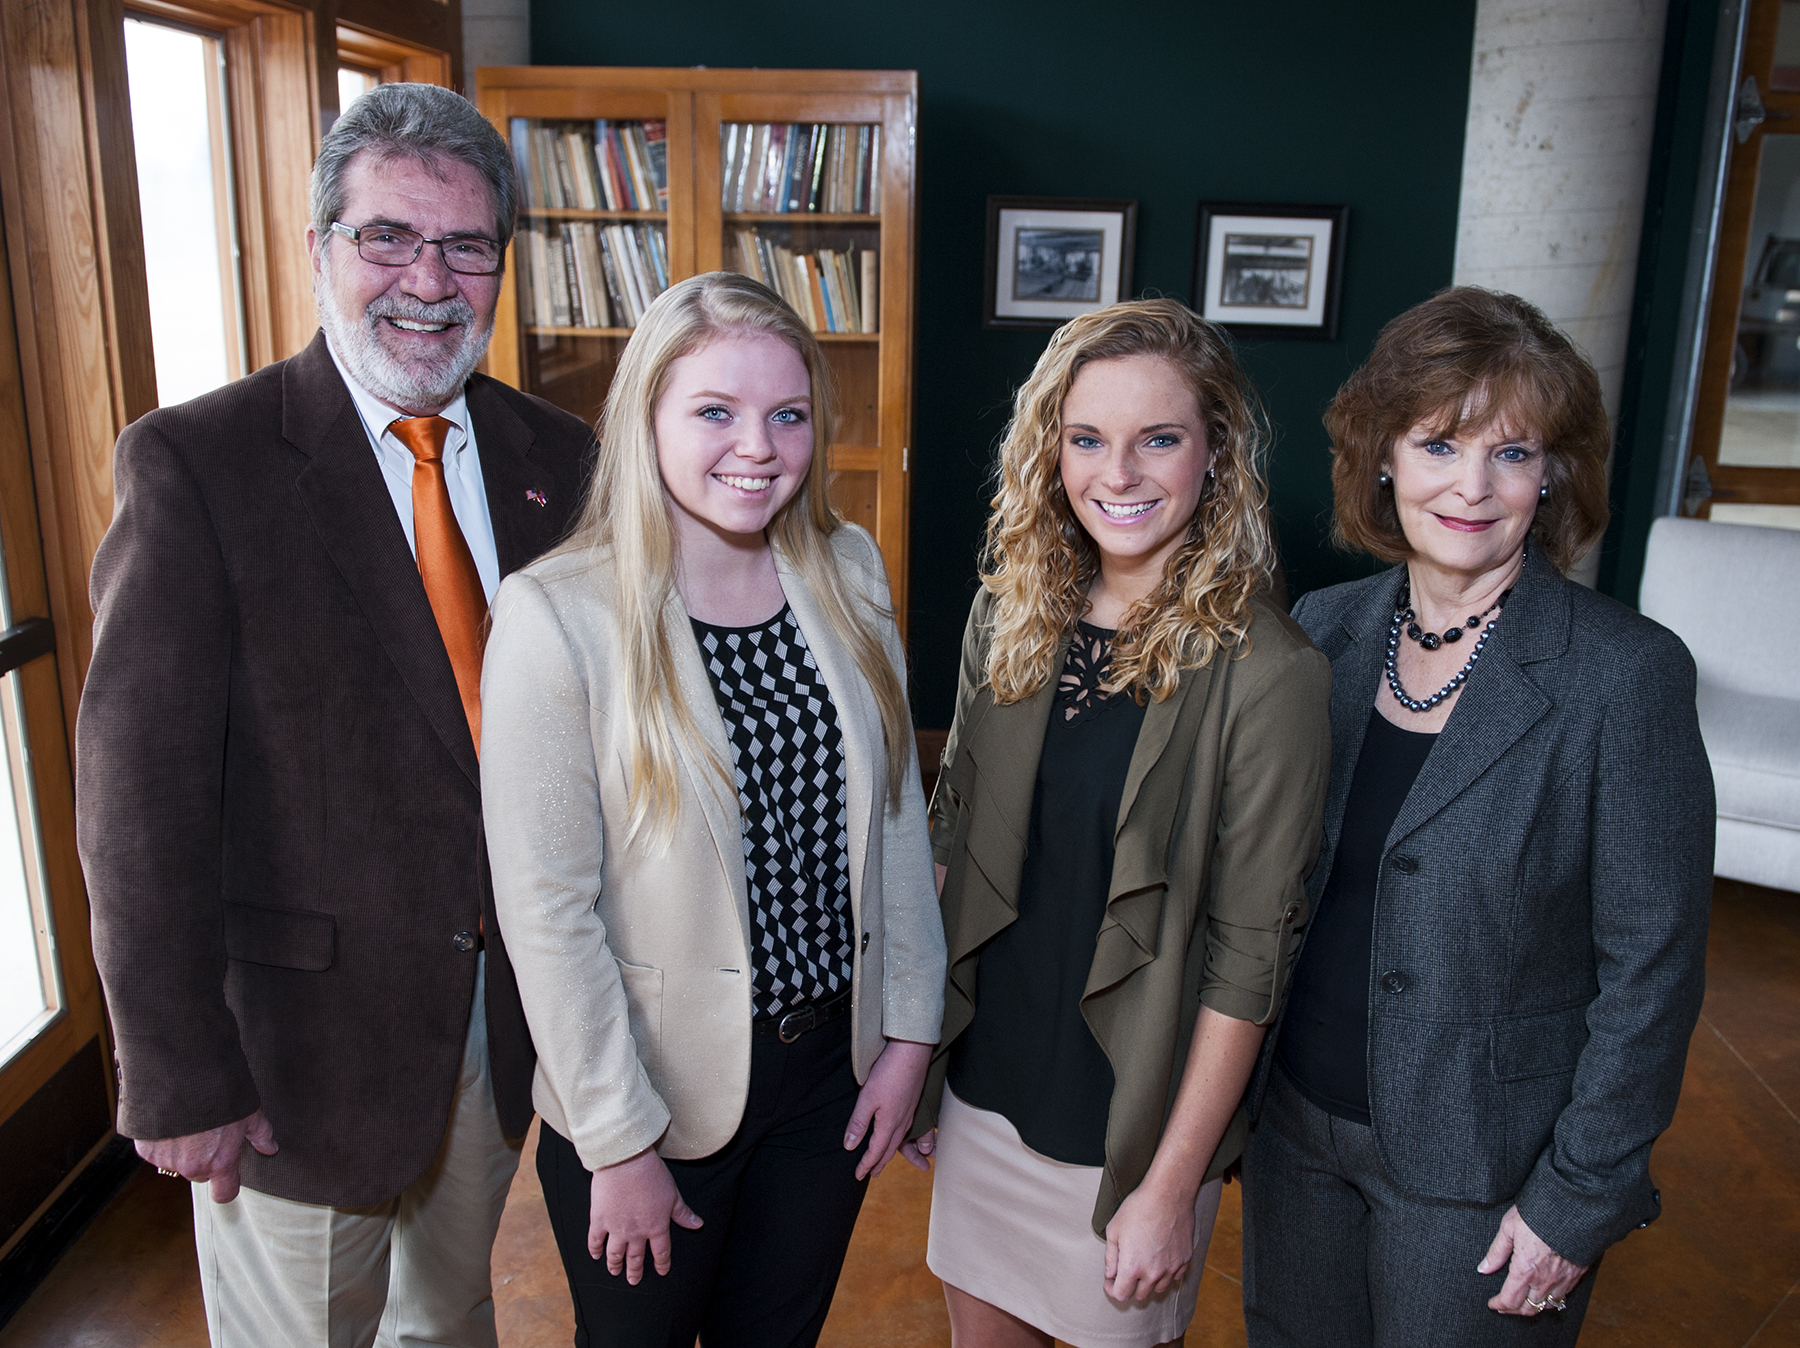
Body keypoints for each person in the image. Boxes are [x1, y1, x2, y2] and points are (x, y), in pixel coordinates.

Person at [76, 83, 595, 1347]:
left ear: (501, 269)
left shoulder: (561, 461)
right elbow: (137, 806)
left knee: (452, 1318)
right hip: (291, 1061)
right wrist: (179, 1074)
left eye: (468, 245)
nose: (430, 278)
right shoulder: (199, 465)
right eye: (388, 238)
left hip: (499, 1026)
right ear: (320, 250)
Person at [479, 270, 946, 1348]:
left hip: (830, 1074)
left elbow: (895, 821)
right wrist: (618, 1141)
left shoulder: (849, 570)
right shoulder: (559, 615)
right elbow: (547, 911)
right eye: (715, 412)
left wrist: (910, 1035)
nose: (759, 446)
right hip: (653, 1090)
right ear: (647, 416)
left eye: (787, 414)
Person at [1240, 286, 1715, 1347]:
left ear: (1551, 478)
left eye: (1512, 453)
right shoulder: (1324, 630)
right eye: (1439, 443)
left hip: (1485, 1171)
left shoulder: (1624, 677)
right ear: (1384, 459)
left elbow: (1655, 965)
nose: (1470, 485)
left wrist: (1578, 1197)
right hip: (1293, 1130)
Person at [911, 298, 1331, 1348]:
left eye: (1160, 439)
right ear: (1050, 449)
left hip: (1132, 1130)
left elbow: (1250, 959)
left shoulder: (1270, 673)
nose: (1121, 473)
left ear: (1216, 453)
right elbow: (950, 847)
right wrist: (914, 1063)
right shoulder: (1004, 620)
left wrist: (1172, 1182)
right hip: (985, 1093)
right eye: (1088, 438)